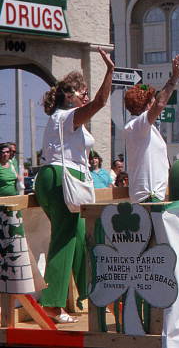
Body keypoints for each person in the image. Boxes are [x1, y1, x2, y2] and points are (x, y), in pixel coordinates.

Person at [35, 47, 114, 323]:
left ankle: (92, 295)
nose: (86, 96)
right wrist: (110, 71)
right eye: (82, 92)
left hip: (56, 177)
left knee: (81, 237)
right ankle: (53, 304)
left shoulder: (63, 119)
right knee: (66, 237)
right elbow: (102, 102)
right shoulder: (67, 116)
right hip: (62, 178)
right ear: (69, 96)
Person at [123, 55, 179, 202]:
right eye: (152, 100)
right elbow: (160, 104)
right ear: (147, 104)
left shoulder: (141, 127)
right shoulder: (137, 125)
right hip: (148, 196)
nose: (155, 101)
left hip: (153, 194)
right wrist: (173, 79)